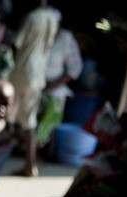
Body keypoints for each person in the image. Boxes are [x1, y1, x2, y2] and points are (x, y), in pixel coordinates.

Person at [6, 2, 58, 177]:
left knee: (8, 116)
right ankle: (30, 164)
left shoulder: (32, 17)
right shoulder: (52, 18)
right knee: (29, 122)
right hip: (37, 73)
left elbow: (17, 43)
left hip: (23, 71)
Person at [35, 6, 82, 150]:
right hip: (36, 84)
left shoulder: (66, 38)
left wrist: (55, 84)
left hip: (54, 87)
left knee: (50, 112)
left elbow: (75, 67)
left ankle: (40, 148)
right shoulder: (39, 35)